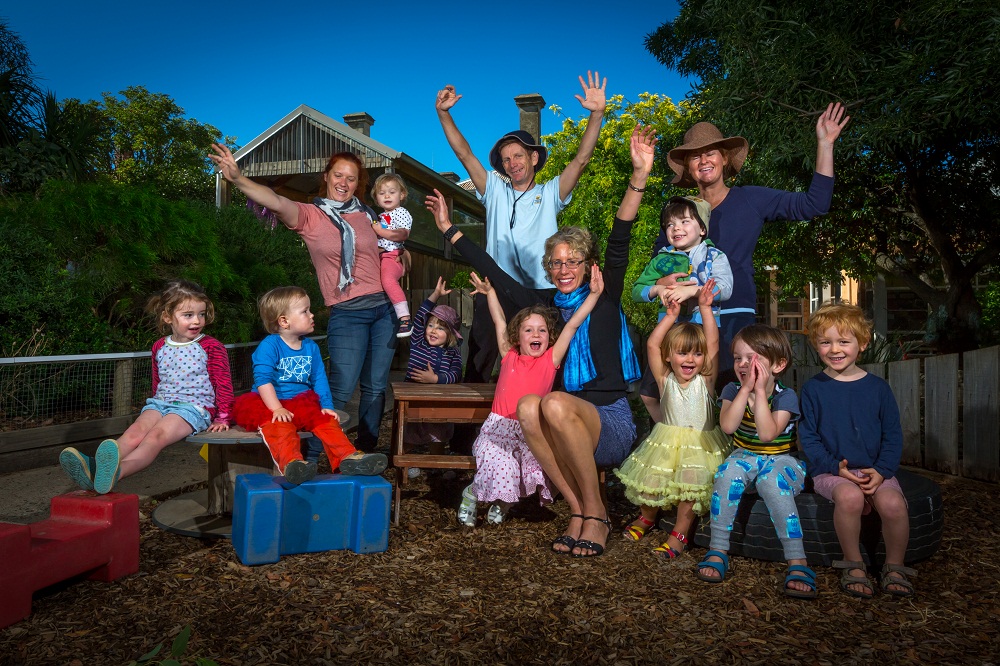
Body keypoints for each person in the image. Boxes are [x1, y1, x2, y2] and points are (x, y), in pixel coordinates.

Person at [426, 125, 656, 558]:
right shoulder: (545, 308)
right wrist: (448, 228)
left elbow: (622, 232)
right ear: (548, 269)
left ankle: (598, 513)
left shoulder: (602, 294)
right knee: (530, 405)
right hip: (560, 421)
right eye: (556, 262)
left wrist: (639, 176)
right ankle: (578, 510)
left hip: (608, 421)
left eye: (573, 260)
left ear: (588, 264)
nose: (564, 267)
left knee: (548, 402)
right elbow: (492, 268)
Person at [211, 144, 396, 452]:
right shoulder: (310, 216)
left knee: (376, 388)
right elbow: (276, 201)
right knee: (338, 389)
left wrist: (401, 259)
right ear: (326, 177)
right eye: (338, 175)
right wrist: (239, 179)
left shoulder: (367, 215)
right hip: (347, 312)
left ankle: (364, 455)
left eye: (351, 178)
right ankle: (308, 460)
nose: (344, 183)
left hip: (384, 310)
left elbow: (385, 253)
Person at [654, 103, 850, 380]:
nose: (704, 161)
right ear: (688, 168)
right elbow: (658, 262)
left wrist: (825, 144)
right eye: (695, 157)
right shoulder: (679, 213)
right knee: (662, 393)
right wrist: (664, 284)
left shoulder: (751, 199)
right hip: (687, 318)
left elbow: (815, 204)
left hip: (734, 313)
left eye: (710, 153)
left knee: (730, 395)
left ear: (724, 159)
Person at [434, 72, 607, 383]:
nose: (512, 162)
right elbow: (464, 154)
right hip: (494, 287)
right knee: (480, 357)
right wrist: (443, 114)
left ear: (533, 157)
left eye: (518, 155)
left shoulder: (552, 192)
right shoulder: (494, 191)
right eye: (505, 159)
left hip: (539, 292)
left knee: (546, 364)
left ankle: (542, 423)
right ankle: (470, 431)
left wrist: (596, 115)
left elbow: (581, 160)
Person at [457, 266, 603, 528]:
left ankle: (503, 502)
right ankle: (471, 494)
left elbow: (572, 324)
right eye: (528, 330)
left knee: (529, 473)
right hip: (498, 430)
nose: (536, 335)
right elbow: (499, 320)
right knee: (502, 468)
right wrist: (490, 293)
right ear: (517, 337)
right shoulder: (509, 356)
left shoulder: (551, 359)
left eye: (542, 330)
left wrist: (593, 295)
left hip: (530, 432)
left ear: (549, 337)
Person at [59, 280, 234, 494]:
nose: (197, 320)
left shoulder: (210, 346)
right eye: (188, 315)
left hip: (193, 408)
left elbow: (223, 382)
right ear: (167, 316)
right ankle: (95, 470)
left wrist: (223, 416)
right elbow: (157, 381)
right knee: (135, 431)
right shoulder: (159, 346)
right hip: (160, 403)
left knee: (155, 436)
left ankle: (118, 472)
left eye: (202, 314)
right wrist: (154, 407)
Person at [799, 303, 913, 598]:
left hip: (875, 470)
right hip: (832, 471)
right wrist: (834, 466)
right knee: (849, 497)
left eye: (843, 341)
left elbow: (892, 434)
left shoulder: (878, 388)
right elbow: (808, 438)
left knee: (893, 505)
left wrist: (883, 471)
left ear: (862, 343)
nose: (834, 349)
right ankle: (854, 564)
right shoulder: (813, 389)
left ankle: (894, 566)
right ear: (816, 345)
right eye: (825, 342)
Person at [697, 324, 816, 599]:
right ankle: (717, 548)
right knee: (726, 474)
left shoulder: (785, 396)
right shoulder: (731, 389)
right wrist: (745, 390)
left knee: (771, 482)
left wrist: (760, 392)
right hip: (743, 456)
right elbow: (727, 426)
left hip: (782, 459)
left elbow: (766, 434)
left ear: (778, 364)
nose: (743, 364)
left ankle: (798, 561)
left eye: (752, 358)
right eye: (738, 358)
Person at [615, 281, 731, 558]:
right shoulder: (665, 380)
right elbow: (653, 345)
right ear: (669, 357)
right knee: (651, 483)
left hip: (701, 446)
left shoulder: (706, 381)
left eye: (697, 353)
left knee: (691, 489)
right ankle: (646, 517)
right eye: (682, 352)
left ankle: (679, 533)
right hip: (665, 443)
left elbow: (713, 342)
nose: (690, 358)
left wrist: (705, 308)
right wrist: (669, 316)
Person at [231, 286, 387, 484]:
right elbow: (263, 380)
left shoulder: (310, 347)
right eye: (305, 311)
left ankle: (348, 458)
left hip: (301, 401)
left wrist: (327, 406)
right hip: (271, 402)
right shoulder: (270, 345)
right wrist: (276, 408)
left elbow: (319, 379)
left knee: (327, 423)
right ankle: (293, 464)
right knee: (280, 428)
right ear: (284, 321)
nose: (312, 314)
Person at [632, 195, 733, 422]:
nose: (676, 228)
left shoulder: (714, 256)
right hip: (670, 336)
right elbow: (636, 290)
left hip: (703, 335)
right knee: (651, 392)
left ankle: (707, 430)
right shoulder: (661, 260)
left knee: (711, 389)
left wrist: (693, 291)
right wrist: (658, 288)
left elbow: (726, 288)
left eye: (685, 221)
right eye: (670, 224)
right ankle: (668, 429)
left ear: (702, 229)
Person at [402, 276, 464, 473]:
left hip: (439, 402)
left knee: (439, 430)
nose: (433, 330)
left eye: (440, 327)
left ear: (451, 335)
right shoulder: (419, 343)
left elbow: (456, 374)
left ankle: (436, 462)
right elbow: (420, 317)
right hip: (414, 398)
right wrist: (435, 295)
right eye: (431, 325)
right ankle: (406, 462)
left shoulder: (452, 352)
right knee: (409, 430)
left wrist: (436, 379)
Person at [370, 173, 414, 338]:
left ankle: (405, 318)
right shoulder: (379, 217)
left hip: (392, 255)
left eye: (392, 192)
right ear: (376, 198)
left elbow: (402, 234)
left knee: (388, 280)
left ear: (402, 195)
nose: (387, 196)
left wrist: (380, 231)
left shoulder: (401, 212)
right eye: (382, 193)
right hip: (381, 257)